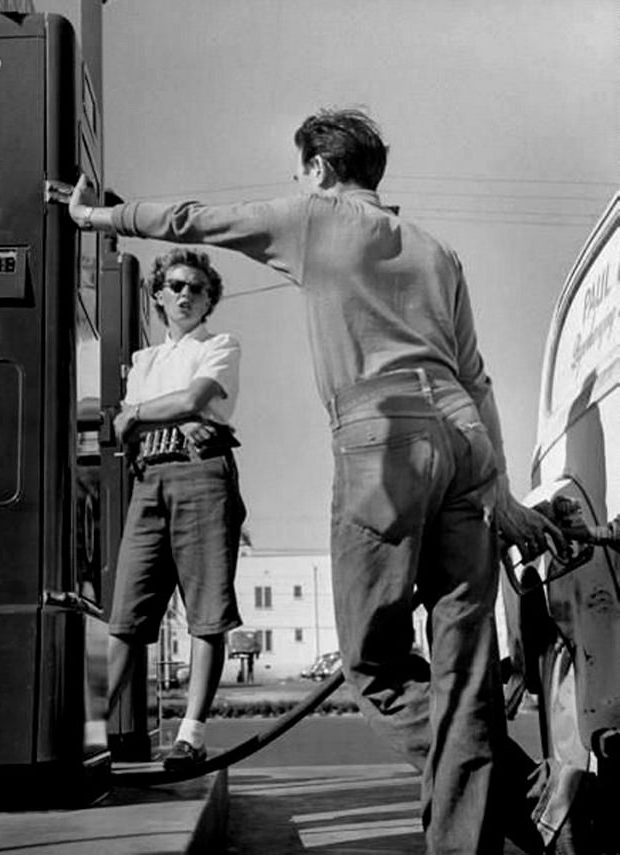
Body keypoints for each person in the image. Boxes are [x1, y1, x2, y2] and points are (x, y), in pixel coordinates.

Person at [68, 109, 590, 853]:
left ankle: (528, 789)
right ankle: (498, 820)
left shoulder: (314, 217)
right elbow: (476, 377)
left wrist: (99, 213)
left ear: (317, 167)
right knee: (466, 673)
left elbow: (195, 220)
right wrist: (499, 490)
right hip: (466, 446)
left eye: (298, 171)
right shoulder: (439, 251)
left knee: (373, 666)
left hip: (382, 440)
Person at [107, 246, 245, 773]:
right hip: (149, 480)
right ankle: (87, 731)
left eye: (197, 289)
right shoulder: (144, 361)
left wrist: (147, 412)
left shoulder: (221, 345)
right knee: (126, 614)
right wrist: (161, 414)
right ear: (158, 294)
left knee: (206, 614)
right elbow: (130, 423)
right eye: (177, 286)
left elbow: (194, 400)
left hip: (202, 473)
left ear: (209, 300)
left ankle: (190, 736)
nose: (185, 295)